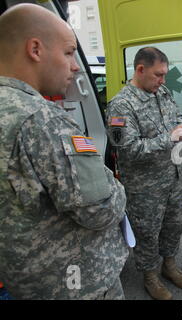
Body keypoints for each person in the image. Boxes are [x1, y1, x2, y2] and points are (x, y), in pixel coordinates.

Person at [0, 4, 128, 299]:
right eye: (69, 52)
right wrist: (120, 189)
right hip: (79, 286)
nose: (75, 65)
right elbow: (100, 209)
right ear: (35, 49)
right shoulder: (42, 119)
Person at [106, 47, 182, 300]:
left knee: (173, 226)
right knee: (147, 233)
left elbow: (177, 116)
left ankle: (169, 265)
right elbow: (128, 149)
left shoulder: (161, 91)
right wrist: (169, 138)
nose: (163, 80)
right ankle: (150, 277)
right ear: (140, 70)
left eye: (164, 74)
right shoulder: (121, 105)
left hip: (171, 177)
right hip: (144, 187)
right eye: (158, 75)